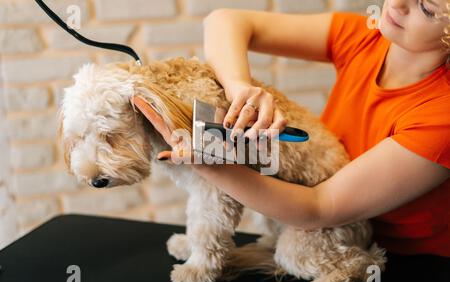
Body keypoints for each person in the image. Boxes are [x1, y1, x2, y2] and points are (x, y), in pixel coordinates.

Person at [132, 0, 450, 257]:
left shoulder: (441, 117)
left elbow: (319, 208)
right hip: (328, 236)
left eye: (427, 8)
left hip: (404, 261)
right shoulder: (364, 37)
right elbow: (224, 20)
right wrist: (238, 87)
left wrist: (208, 163)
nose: (397, 4)